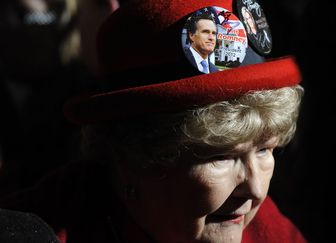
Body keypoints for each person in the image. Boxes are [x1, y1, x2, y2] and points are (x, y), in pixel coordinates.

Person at [1, 1, 307, 242]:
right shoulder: (38, 230)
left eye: (265, 150)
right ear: (132, 157)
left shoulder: (263, 225)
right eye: (221, 156)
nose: (255, 189)